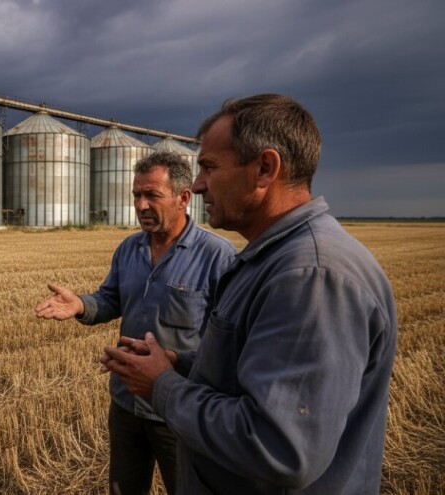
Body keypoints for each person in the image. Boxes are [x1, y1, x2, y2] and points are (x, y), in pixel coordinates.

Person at [102, 94, 398, 494]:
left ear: (265, 169)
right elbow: (247, 364)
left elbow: (279, 446)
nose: (199, 184)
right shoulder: (271, 260)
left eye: (209, 167)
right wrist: (181, 363)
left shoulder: (311, 277)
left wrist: (163, 387)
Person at [35, 151, 236, 495]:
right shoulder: (129, 249)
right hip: (126, 401)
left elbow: (228, 345)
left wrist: (175, 363)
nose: (141, 205)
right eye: (136, 195)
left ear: (183, 198)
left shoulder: (218, 257)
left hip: (181, 408)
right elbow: (111, 299)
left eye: (152, 195)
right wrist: (81, 304)